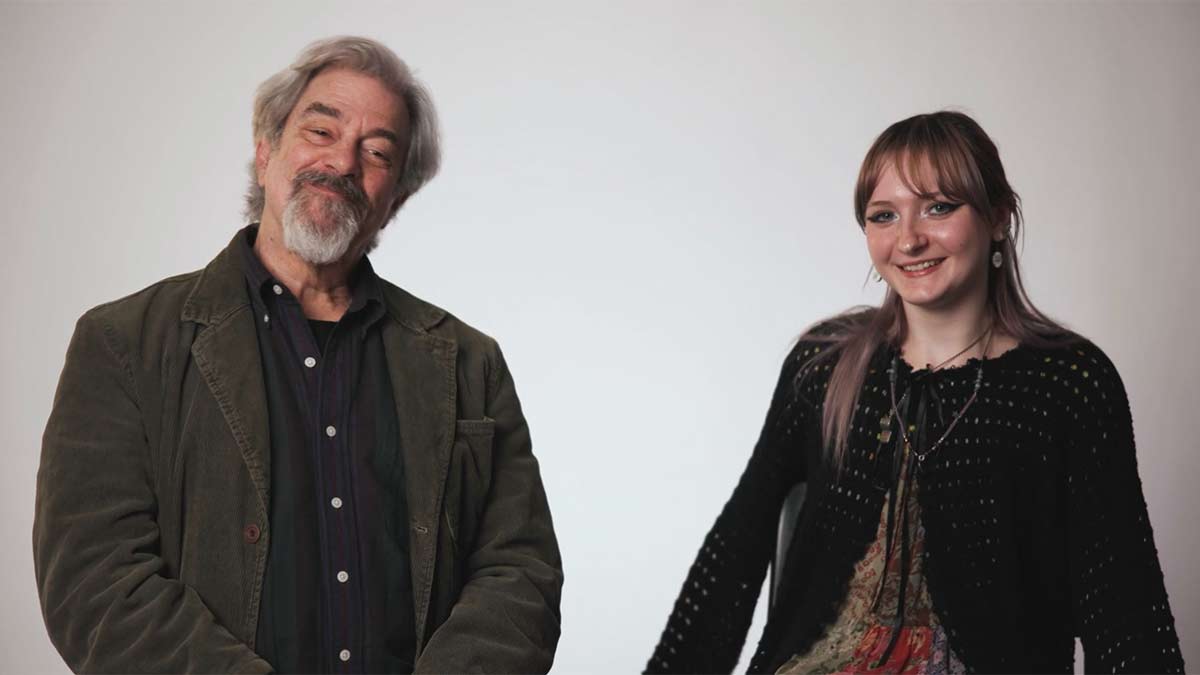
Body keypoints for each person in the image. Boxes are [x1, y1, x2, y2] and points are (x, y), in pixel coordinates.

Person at [34, 36, 562, 674]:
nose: (342, 162)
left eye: (377, 152)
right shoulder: (122, 344)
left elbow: (520, 573)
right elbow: (97, 585)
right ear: (265, 152)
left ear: (395, 198)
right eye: (320, 130)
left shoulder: (469, 363)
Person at [645, 111, 1183, 674]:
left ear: (998, 217)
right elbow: (736, 548)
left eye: (938, 207)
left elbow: (1124, 607)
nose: (909, 239)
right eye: (884, 216)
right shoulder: (823, 366)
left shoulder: (1067, 384)